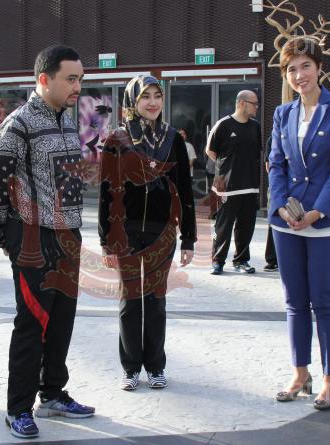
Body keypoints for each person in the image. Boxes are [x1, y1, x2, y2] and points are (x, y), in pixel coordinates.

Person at [0, 44, 94, 440]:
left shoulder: (68, 121)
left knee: (62, 320)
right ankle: (18, 408)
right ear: (44, 79)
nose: (78, 87)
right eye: (71, 79)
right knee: (32, 323)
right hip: (33, 238)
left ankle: (52, 394)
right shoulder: (17, 124)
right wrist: (2, 234)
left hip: (69, 237)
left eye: (80, 79)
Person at [268, 37, 330, 411]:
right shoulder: (282, 113)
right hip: (287, 223)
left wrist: (318, 211)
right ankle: (300, 373)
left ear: (319, 67)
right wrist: (280, 208)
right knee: (294, 301)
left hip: (324, 221)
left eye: (305, 66)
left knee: (324, 300)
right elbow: (276, 164)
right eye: (291, 69)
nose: (299, 74)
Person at [99, 75, 196, 391]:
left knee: (155, 301)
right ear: (132, 101)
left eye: (157, 95)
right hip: (125, 233)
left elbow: (185, 190)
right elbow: (107, 191)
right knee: (130, 301)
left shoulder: (173, 138)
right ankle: (130, 368)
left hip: (162, 233)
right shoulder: (116, 139)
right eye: (145, 96)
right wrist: (105, 240)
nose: (153, 102)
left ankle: (155, 366)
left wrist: (189, 237)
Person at [206, 90, 261, 275]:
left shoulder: (255, 127)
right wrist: (225, 169)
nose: (257, 107)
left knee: (246, 226)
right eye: (254, 103)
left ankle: (241, 261)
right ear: (242, 103)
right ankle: (218, 261)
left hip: (250, 186)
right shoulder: (223, 125)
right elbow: (210, 150)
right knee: (223, 226)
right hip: (226, 188)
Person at [263, 135, 278, 272]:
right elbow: (268, 166)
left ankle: (273, 260)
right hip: (276, 185)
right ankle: (272, 259)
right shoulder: (273, 138)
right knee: (274, 220)